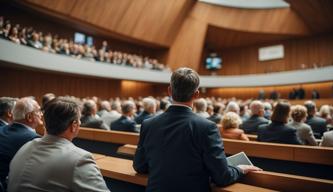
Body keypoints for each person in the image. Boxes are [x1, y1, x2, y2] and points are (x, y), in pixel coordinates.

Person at [133, 68, 261, 192]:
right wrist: (240, 169)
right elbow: (222, 177)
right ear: (196, 94)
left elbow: (139, 166)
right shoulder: (207, 127)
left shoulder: (148, 124)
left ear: (170, 91)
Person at [7, 97, 110, 191]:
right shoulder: (80, 160)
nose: (80, 123)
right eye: (79, 120)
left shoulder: (25, 147)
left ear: (45, 123)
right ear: (74, 125)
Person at [0, 97, 42, 188]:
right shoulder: (33, 139)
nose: (41, 114)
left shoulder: (1, 129)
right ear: (29, 117)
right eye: (38, 111)